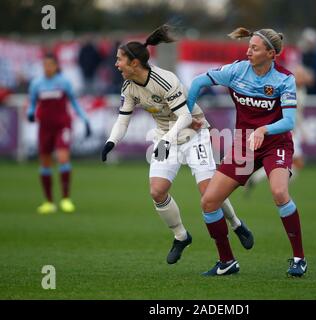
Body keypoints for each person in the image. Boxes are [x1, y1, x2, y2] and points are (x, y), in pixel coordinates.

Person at [101, 25, 253, 265]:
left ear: (134, 63)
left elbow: (185, 118)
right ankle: (181, 236)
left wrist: (167, 140)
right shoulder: (129, 87)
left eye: (120, 60)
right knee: (157, 191)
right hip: (166, 136)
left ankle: (236, 224)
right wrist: (111, 142)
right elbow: (123, 120)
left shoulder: (165, 79)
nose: (116, 64)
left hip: (194, 133)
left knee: (209, 192)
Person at [187, 27, 307, 277]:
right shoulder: (236, 70)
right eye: (249, 46)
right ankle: (227, 261)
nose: (248, 50)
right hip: (244, 145)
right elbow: (198, 82)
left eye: (254, 47)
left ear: (271, 53)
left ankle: (299, 258)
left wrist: (263, 129)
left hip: (276, 144)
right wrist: (187, 115)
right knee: (209, 202)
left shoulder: (284, 79)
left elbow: (289, 122)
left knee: (279, 191)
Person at [27, 53, 92, 214]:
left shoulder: (64, 83)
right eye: (44, 65)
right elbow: (32, 103)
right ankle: (48, 202)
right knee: (45, 162)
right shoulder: (36, 84)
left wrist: (85, 119)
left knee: (63, 158)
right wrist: (30, 112)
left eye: (50, 65)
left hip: (62, 126)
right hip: (45, 127)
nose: (47, 68)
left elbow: (74, 102)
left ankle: (65, 199)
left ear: (56, 66)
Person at [244, 64, 312, 191]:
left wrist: (303, 130)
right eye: (300, 75)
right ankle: (276, 185)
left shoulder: (302, 90)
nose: (302, 78)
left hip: (293, 129)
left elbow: (298, 115)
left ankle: (265, 180)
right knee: (296, 163)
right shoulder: (288, 89)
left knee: (289, 163)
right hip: (287, 130)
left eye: (302, 75)